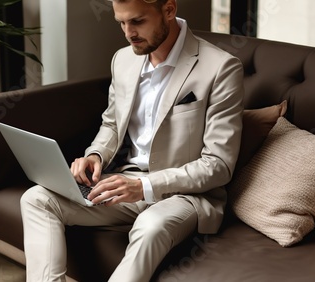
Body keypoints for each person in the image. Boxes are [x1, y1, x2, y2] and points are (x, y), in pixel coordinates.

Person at [20, 0, 244, 281]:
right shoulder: (123, 59)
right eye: (121, 23)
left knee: (150, 225)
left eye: (137, 21)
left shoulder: (221, 67)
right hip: (125, 182)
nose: (128, 32)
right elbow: (112, 123)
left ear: (169, 9)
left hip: (187, 195)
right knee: (37, 198)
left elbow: (218, 165)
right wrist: (96, 156)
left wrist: (144, 186)